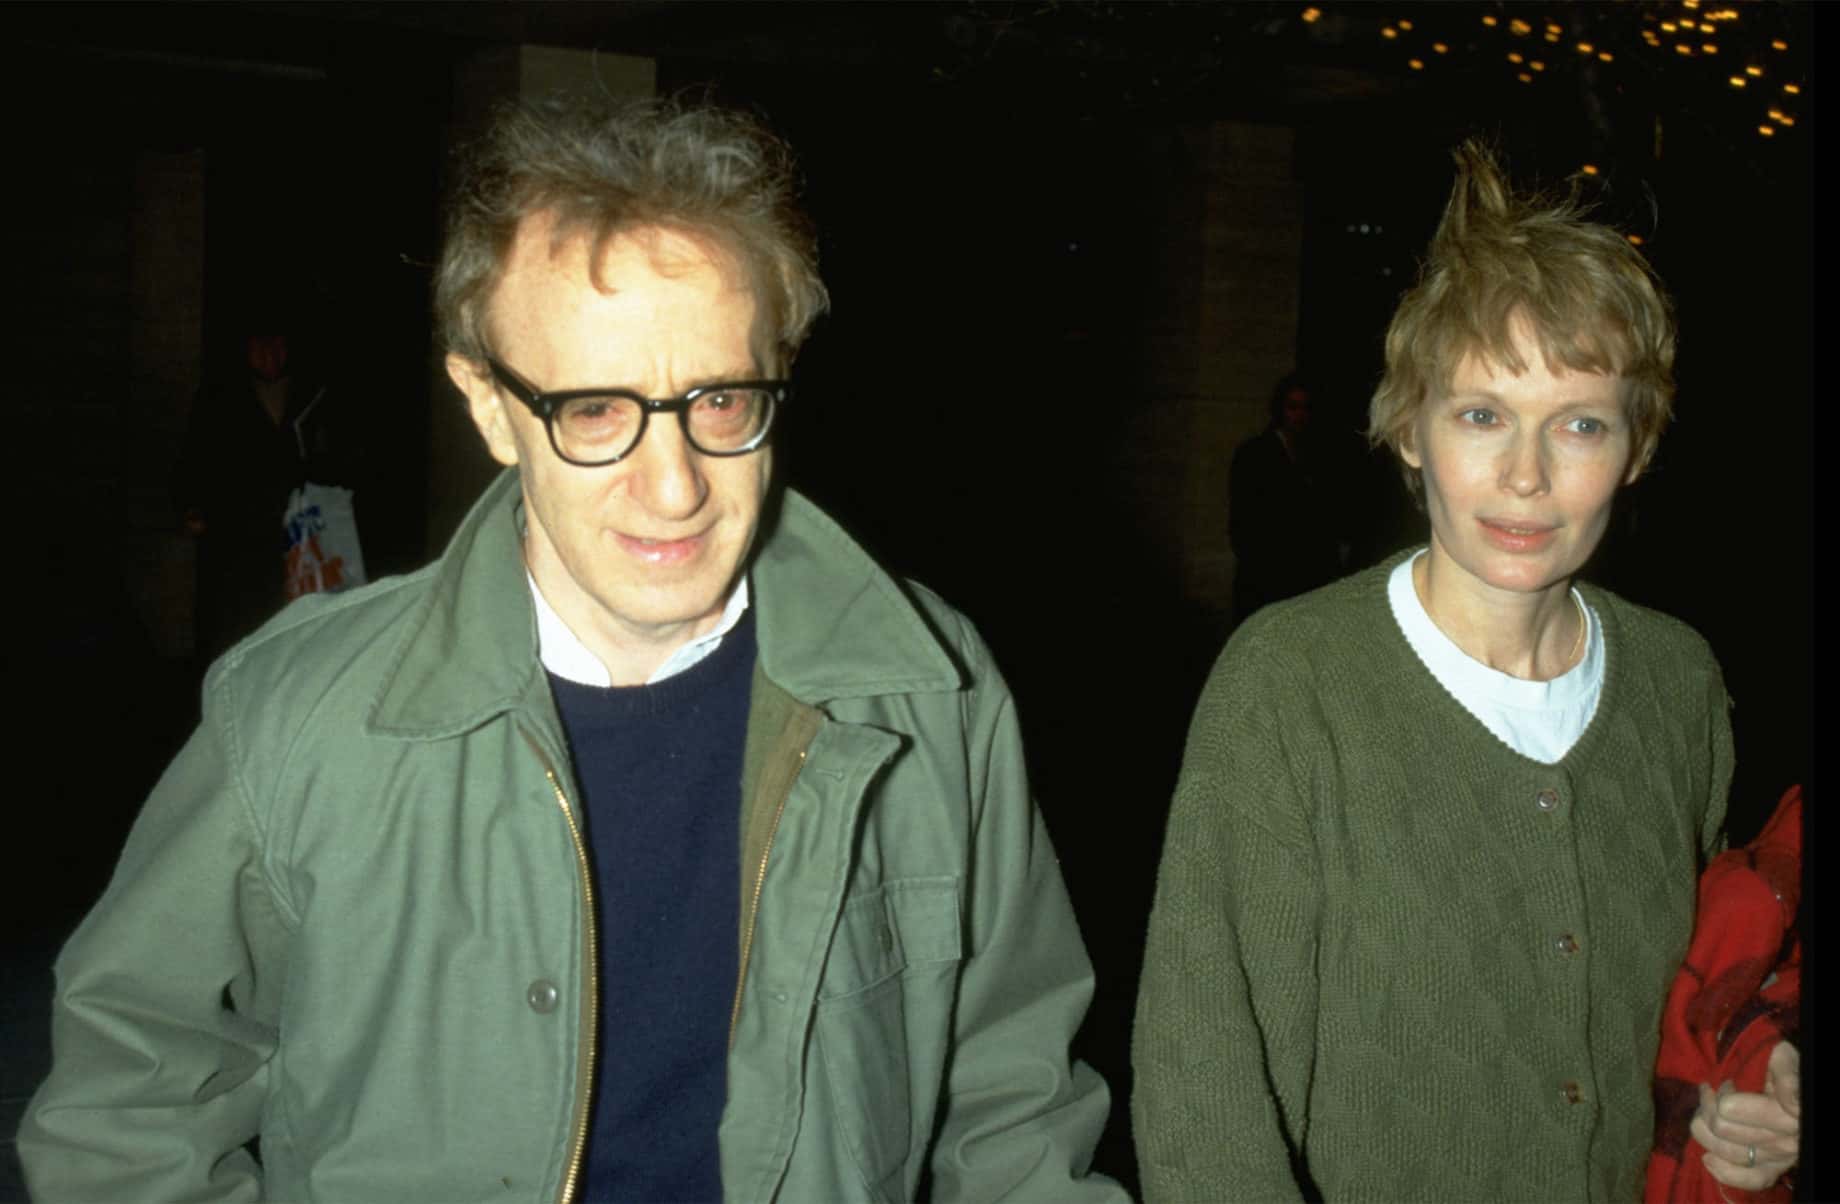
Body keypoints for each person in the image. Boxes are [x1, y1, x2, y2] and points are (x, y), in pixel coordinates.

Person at [20, 98, 1124, 1202]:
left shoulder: (934, 691)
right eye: (595, 411)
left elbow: (1016, 1110)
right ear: (489, 406)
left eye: (721, 399)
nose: (675, 483)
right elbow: (129, 1109)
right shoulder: (297, 715)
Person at [1131, 141, 1800, 1201]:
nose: (1525, 476)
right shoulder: (1293, 684)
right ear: (1407, 428)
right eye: (1481, 415)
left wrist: (1743, 1091)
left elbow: (1696, 1002)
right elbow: (1200, 1079)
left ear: (1635, 448)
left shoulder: (1677, 683)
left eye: (1577, 424)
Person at [1227, 372, 1346, 621]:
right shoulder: (1255, 455)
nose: (1299, 415)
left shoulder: (1316, 457)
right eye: (1292, 407)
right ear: (1280, 409)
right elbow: (1244, 518)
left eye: (1305, 408)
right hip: (1265, 576)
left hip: (1304, 579)